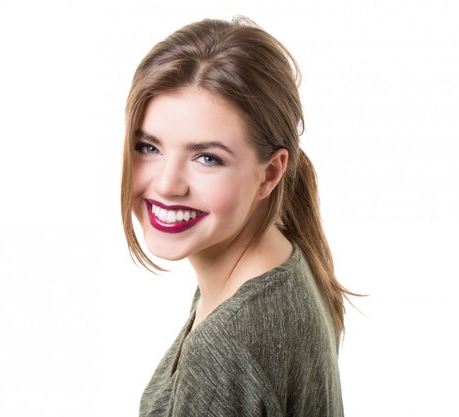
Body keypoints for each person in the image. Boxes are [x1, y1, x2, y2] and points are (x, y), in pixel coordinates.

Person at [121, 16, 353, 417]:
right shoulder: (282, 258)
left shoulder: (227, 346)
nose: (167, 184)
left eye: (207, 158)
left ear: (270, 173)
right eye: (148, 147)